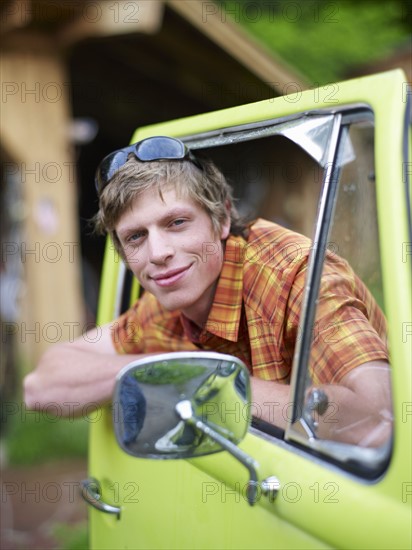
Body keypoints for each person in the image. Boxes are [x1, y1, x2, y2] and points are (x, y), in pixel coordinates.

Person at [24, 136, 391, 446]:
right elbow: (40, 387)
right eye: (136, 237)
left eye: (177, 223)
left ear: (222, 218)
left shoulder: (297, 277)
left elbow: (378, 420)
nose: (159, 253)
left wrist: (212, 380)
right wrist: (165, 370)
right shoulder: (165, 306)